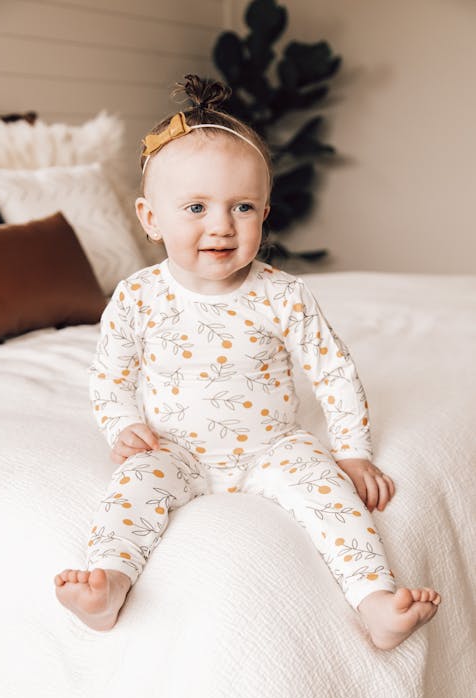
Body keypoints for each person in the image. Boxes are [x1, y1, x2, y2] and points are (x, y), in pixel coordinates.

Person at [54, 75, 440, 649]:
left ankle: (375, 599)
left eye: (242, 206)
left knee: (327, 492)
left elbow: (333, 372)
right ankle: (109, 583)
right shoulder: (138, 297)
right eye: (195, 207)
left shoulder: (282, 295)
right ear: (150, 217)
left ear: (263, 213)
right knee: (132, 489)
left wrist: (352, 453)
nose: (221, 225)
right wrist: (123, 426)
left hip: (272, 446)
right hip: (173, 447)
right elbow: (111, 375)